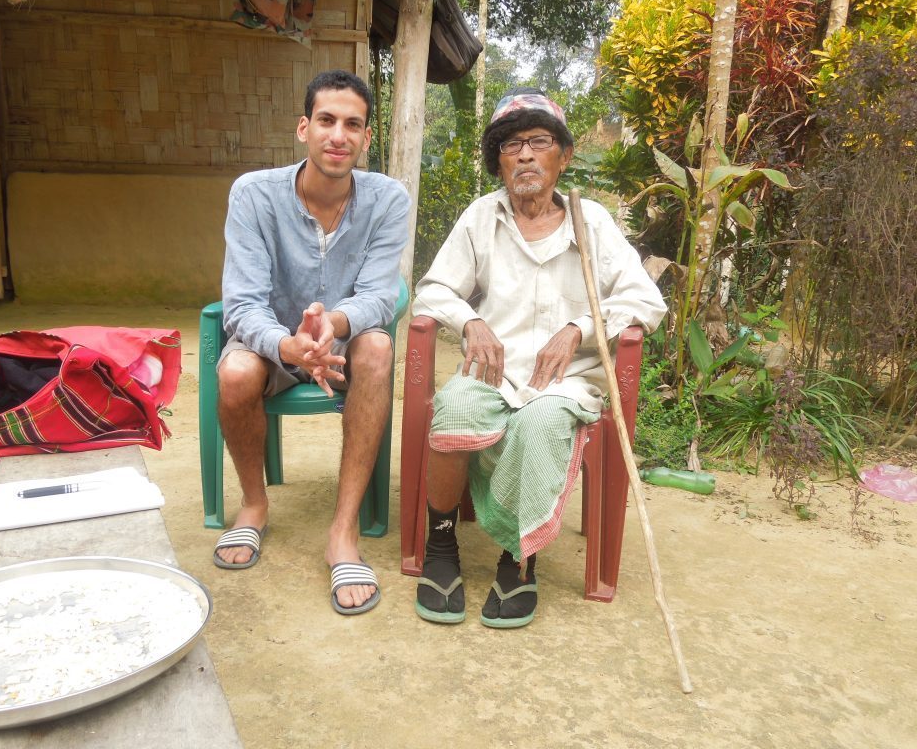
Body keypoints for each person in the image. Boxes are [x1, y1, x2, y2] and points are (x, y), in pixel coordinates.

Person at [411, 88, 666, 628]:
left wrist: (578, 329)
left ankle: (518, 559)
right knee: (454, 407)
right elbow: (433, 291)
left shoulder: (591, 222)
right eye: (510, 144)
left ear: (563, 156)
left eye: (538, 141)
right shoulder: (482, 217)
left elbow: (646, 300)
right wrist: (471, 321)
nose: (524, 154)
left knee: (543, 422)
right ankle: (440, 546)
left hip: (564, 384)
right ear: (498, 161)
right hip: (493, 377)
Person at [213, 69, 409, 616]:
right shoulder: (253, 195)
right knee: (234, 373)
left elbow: (380, 293)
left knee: (378, 348)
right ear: (304, 127)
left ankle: (342, 532)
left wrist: (335, 325)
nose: (338, 136)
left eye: (353, 124)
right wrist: (286, 344)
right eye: (326, 120)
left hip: (341, 341)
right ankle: (254, 506)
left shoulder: (389, 200)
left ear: (367, 138)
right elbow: (242, 303)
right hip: (272, 342)